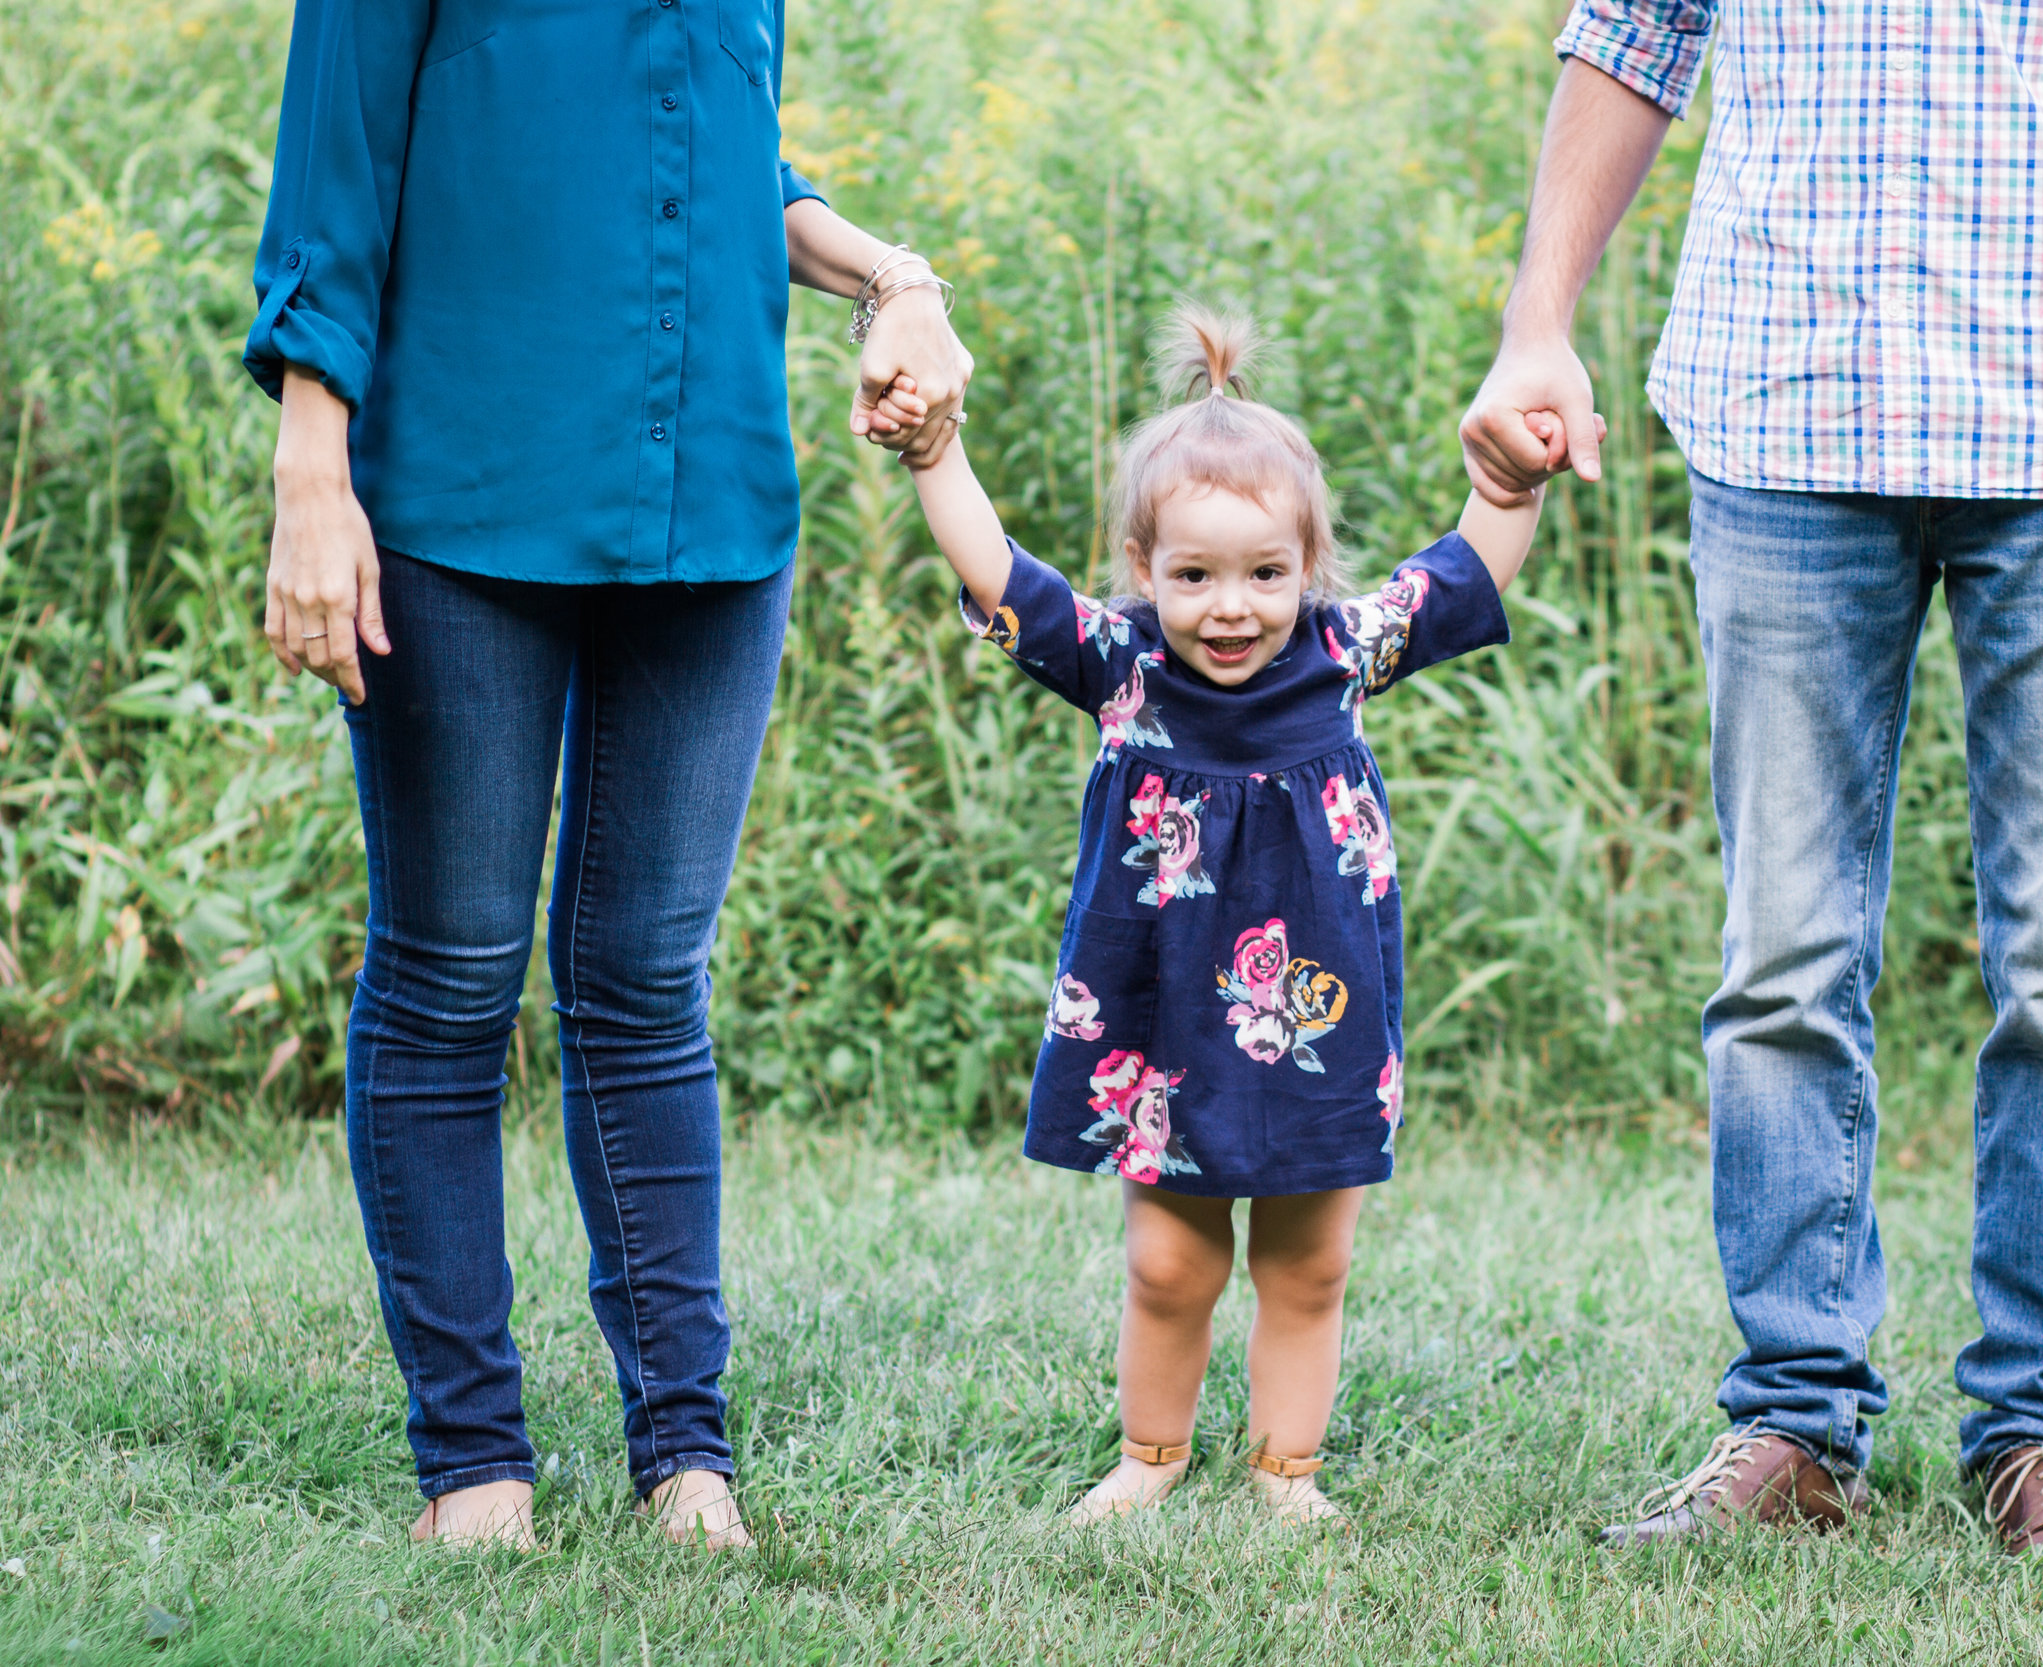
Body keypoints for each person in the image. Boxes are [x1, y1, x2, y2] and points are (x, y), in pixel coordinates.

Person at [1462, 0, 2043, 1553]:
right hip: (1786, 403)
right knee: (1783, 958)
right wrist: (1538, 320)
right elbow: (1634, 34)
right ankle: (1795, 1422)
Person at [245, 0, 972, 1549]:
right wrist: (312, 473)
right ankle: (473, 1461)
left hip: (706, 498)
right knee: (450, 978)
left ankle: (684, 1454)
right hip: (461, 491)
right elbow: (338, 161)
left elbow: (724, 159)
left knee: (648, 980)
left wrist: (895, 281)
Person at [896, 307, 1545, 1523]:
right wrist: (936, 456)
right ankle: (1151, 1455)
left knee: (1310, 1258)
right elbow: (1000, 574)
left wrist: (1510, 476)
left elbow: (1467, 567)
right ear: (1144, 570)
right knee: (1168, 1256)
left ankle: (1285, 1471)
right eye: (1193, 575)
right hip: (1162, 1010)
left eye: (1264, 573)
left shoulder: (1343, 656)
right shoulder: (1120, 666)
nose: (1231, 607)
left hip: (1316, 1007)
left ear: (1309, 566)